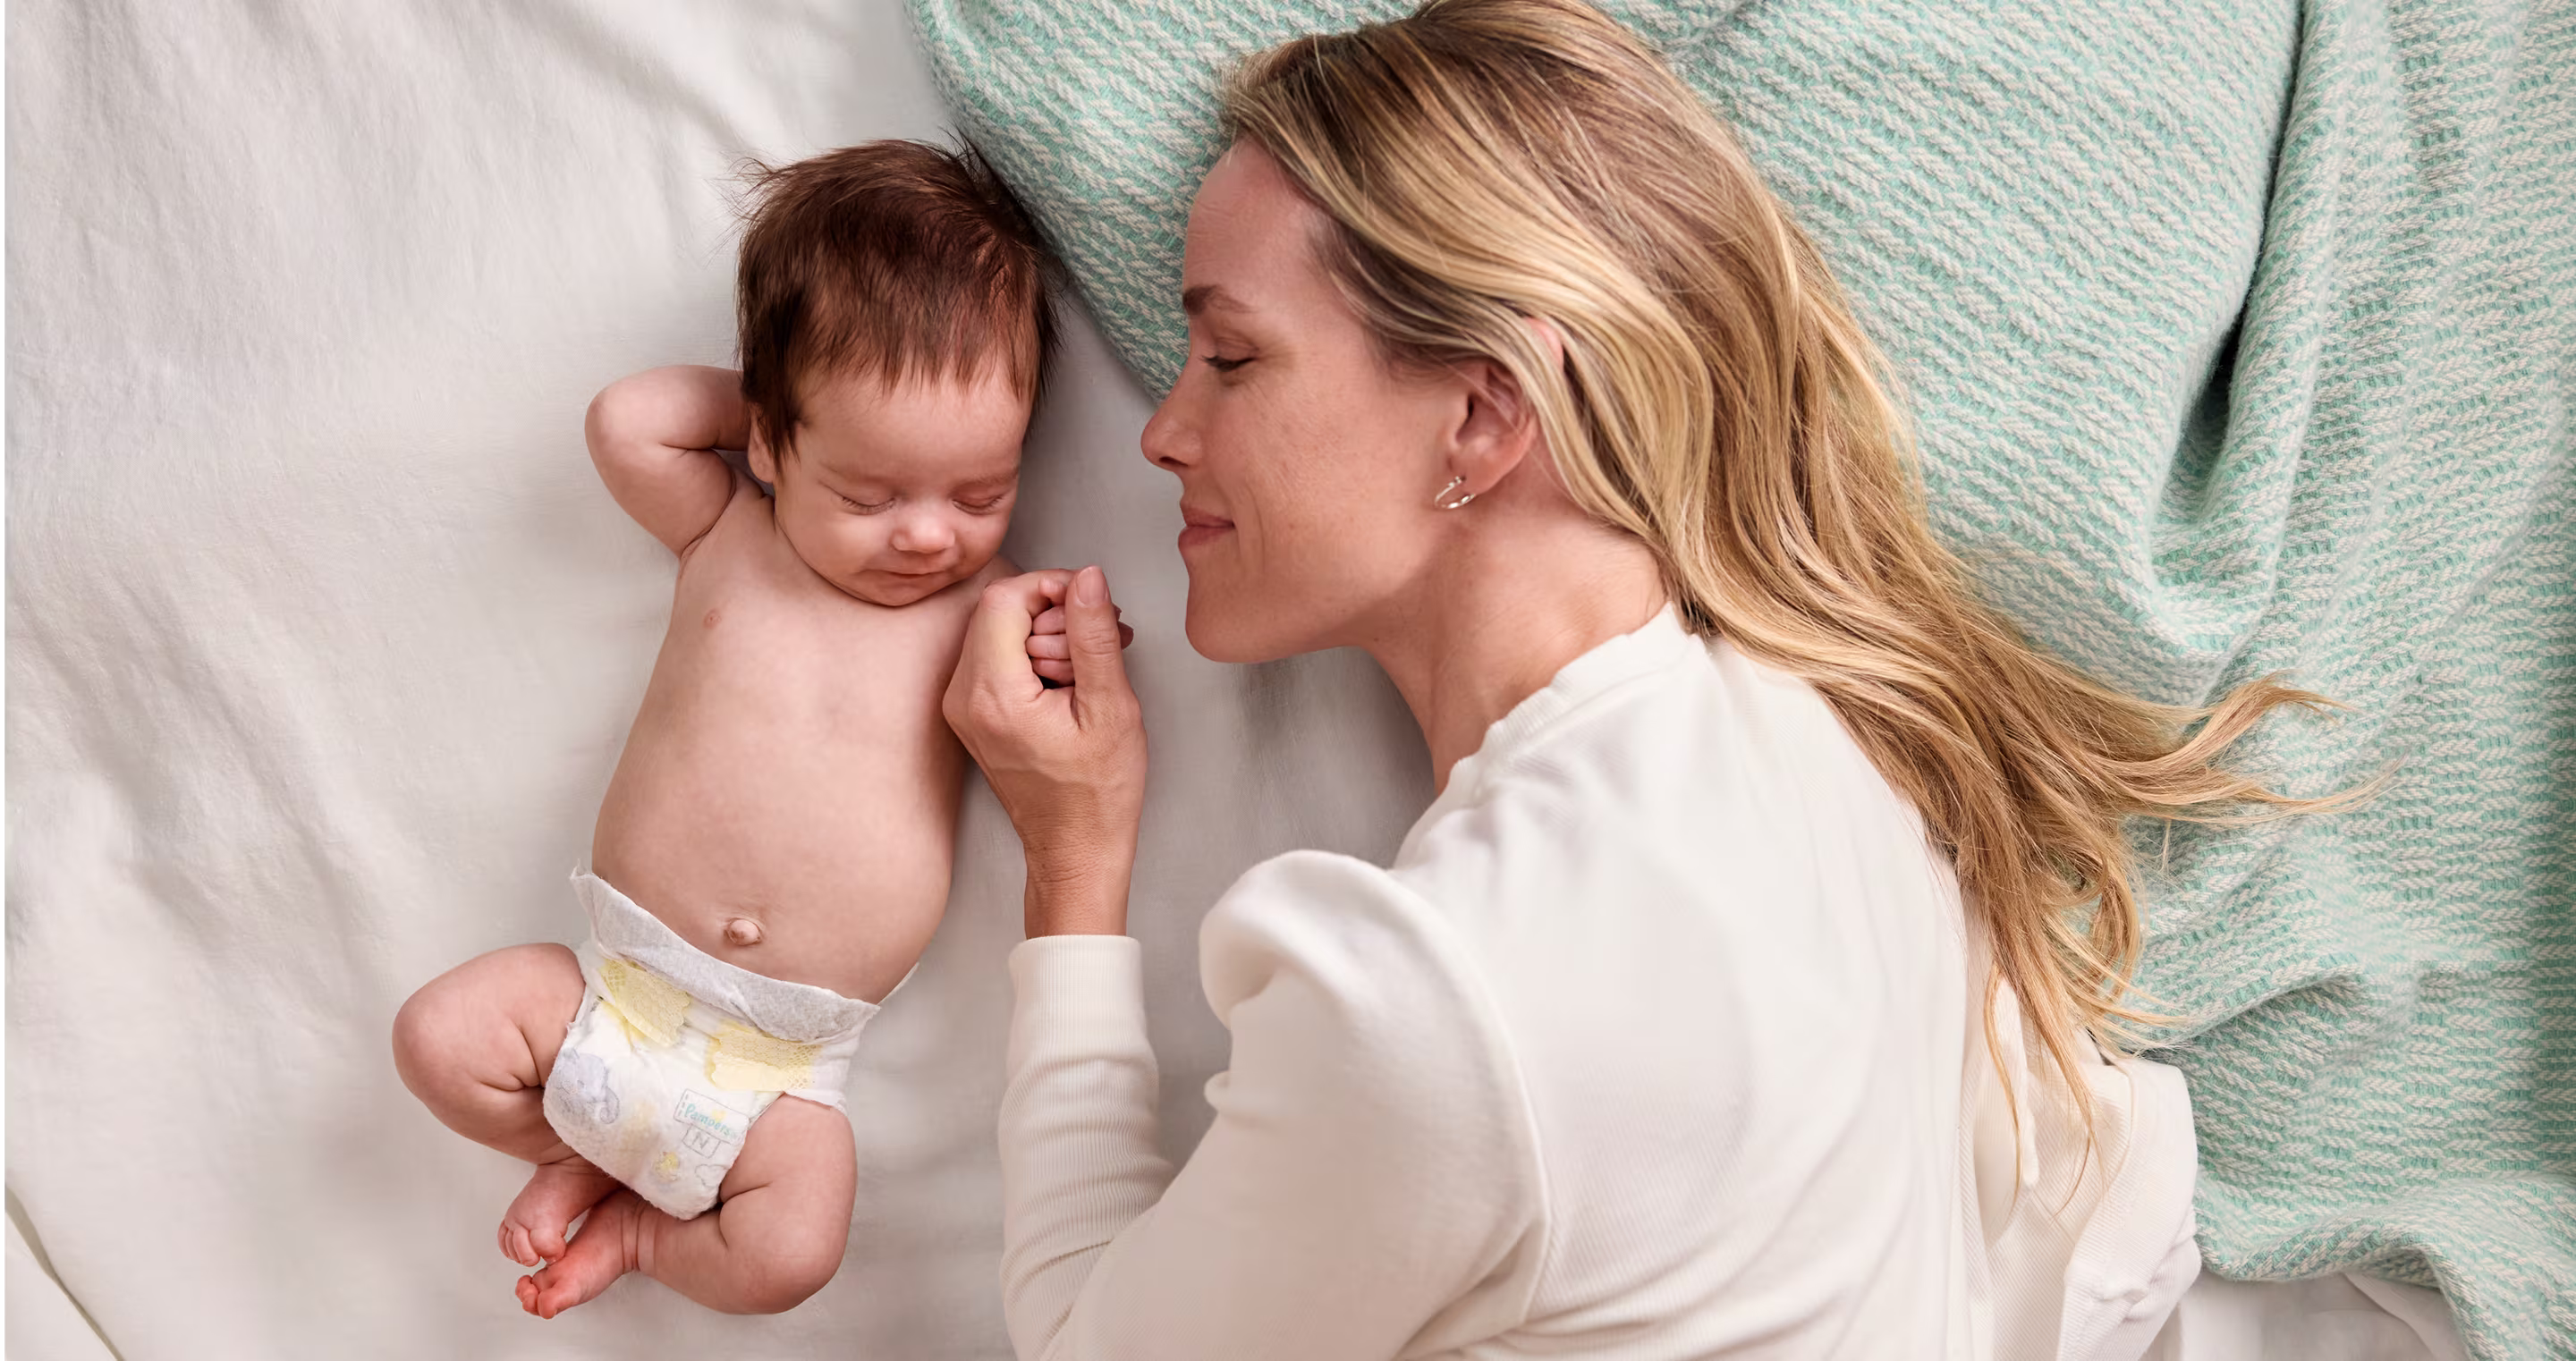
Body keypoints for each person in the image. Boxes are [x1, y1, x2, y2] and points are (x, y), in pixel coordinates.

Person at [945, 1, 2329, 1356]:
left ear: (1484, 414)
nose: (1164, 431)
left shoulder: (1437, 1003)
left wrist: (1073, 861)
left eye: (1233, 357)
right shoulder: (1846, 753)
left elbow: (1082, 1336)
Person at [389, 139, 1104, 1318]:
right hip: (613, 992)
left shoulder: (980, 610)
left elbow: (1040, 715)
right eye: (870, 491)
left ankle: (637, 1236)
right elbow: (629, 421)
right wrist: (786, 401)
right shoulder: (728, 532)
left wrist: (1059, 641)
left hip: (785, 1071)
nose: (928, 534)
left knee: (792, 1254)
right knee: (439, 1038)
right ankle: (580, 1141)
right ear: (770, 440)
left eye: (981, 492)